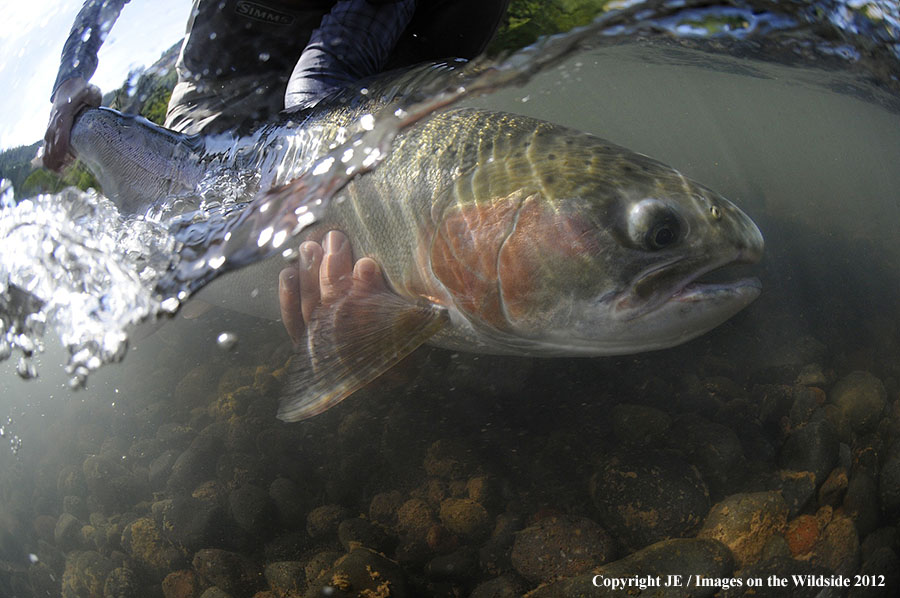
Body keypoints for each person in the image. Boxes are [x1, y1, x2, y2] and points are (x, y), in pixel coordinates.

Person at [44, 0, 508, 340]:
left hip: (331, 82)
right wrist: (70, 82)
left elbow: (329, 67)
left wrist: (327, 175)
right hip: (212, 99)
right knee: (186, 254)